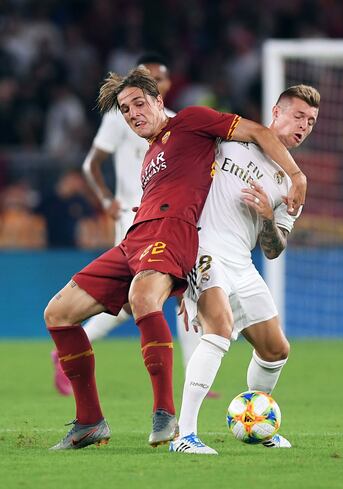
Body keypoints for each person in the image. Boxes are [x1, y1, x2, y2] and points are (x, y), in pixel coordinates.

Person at [44, 67, 306, 451]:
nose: (133, 114)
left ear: (158, 101)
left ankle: (167, 416)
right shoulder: (151, 155)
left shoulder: (192, 121)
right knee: (58, 313)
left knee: (144, 299)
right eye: (125, 109)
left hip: (174, 234)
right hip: (135, 238)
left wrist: (295, 175)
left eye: (139, 103)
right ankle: (89, 421)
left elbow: (257, 132)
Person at [169, 85, 320, 455]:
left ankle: (256, 421)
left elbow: (273, 249)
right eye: (298, 115)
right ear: (276, 111)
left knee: (276, 350)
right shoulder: (230, 141)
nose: (304, 126)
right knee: (219, 330)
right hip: (202, 248)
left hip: (242, 261)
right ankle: (183, 435)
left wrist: (269, 218)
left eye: (311, 122)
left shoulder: (289, 185)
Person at [50, 53, 203, 397]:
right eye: (150, 76)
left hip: (171, 222)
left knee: (160, 300)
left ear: (163, 89)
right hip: (132, 221)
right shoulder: (120, 119)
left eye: (161, 79)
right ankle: (73, 346)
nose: (156, 82)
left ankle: (195, 376)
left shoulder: (178, 124)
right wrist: (106, 200)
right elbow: (92, 164)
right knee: (134, 302)